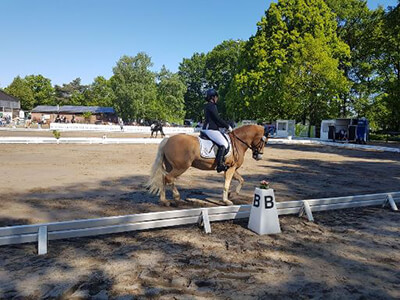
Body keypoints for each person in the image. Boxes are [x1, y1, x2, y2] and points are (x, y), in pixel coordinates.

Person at [201, 88, 233, 173]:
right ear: (213, 97)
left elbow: (215, 120)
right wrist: (227, 126)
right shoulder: (212, 106)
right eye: (216, 97)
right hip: (211, 129)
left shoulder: (207, 106)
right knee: (224, 144)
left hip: (207, 128)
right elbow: (217, 119)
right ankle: (220, 165)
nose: (217, 99)